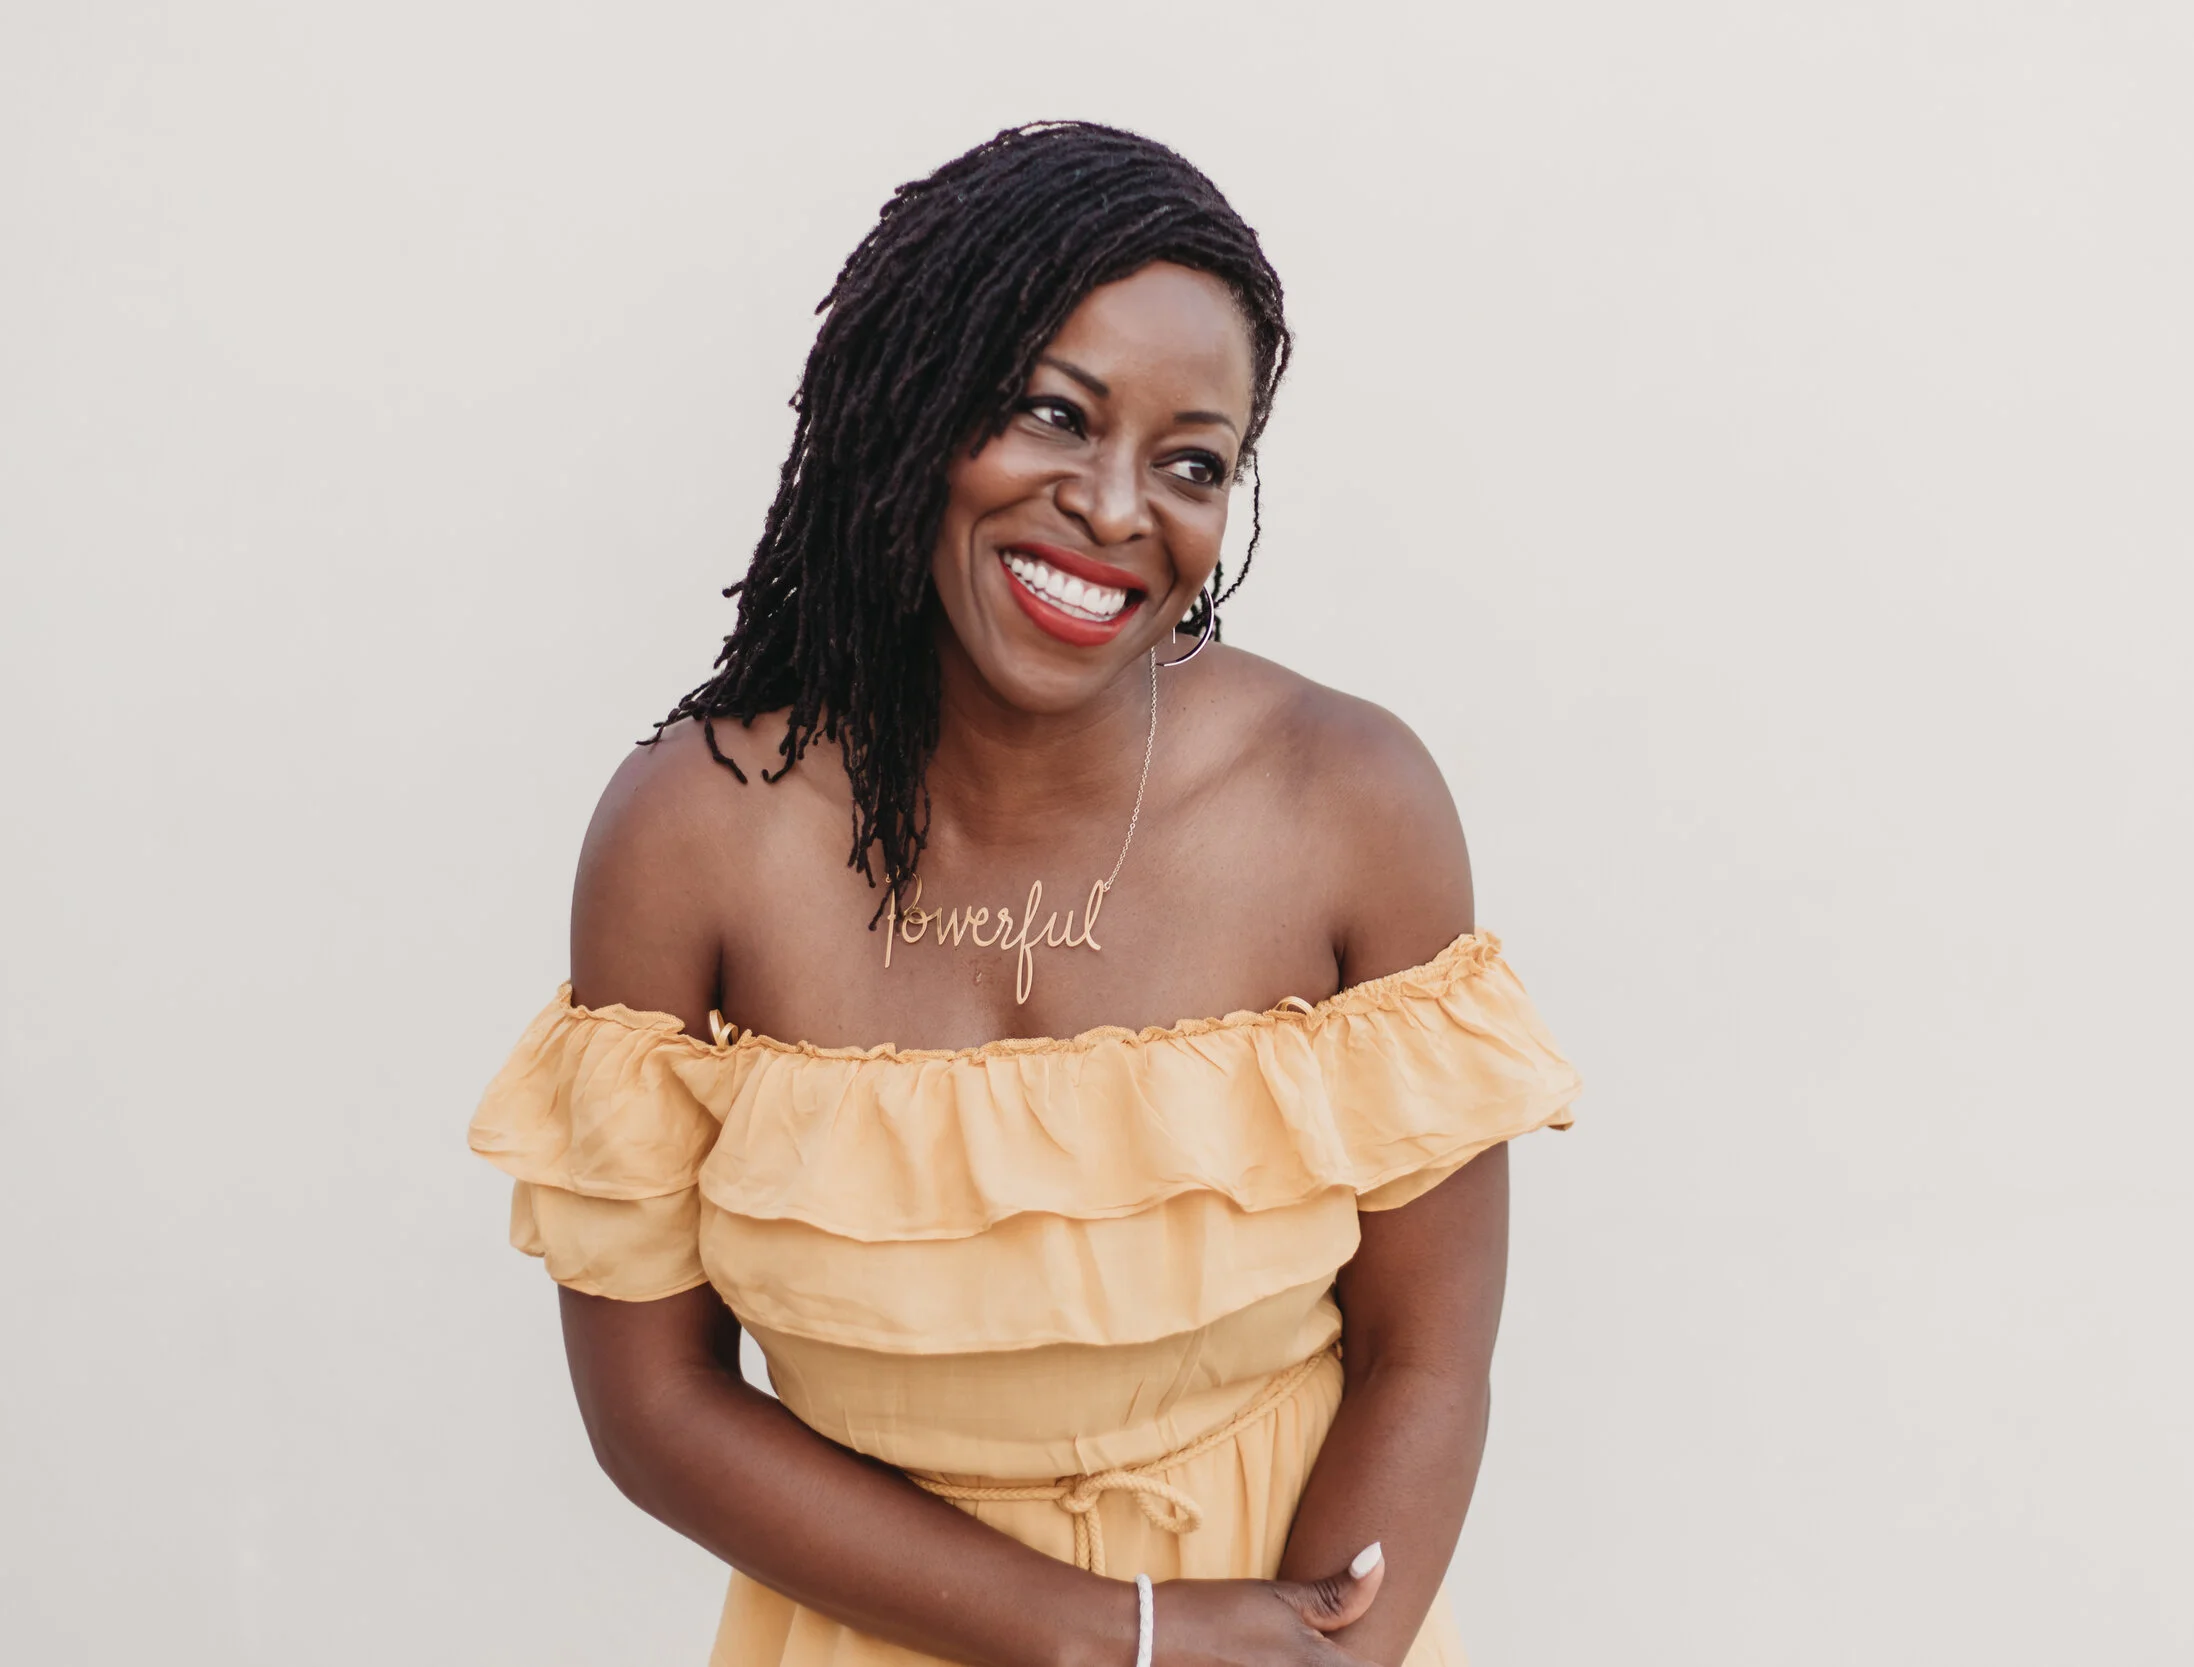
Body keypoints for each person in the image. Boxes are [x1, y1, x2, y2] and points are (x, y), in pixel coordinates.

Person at [469, 121, 1579, 1667]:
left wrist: (1311, 1655)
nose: (1120, 509)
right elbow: (655, 1403)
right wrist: (1100, 1635)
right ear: (909, 406)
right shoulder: (694, 841)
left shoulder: (1350, 803)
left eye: (1193, 462)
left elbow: (1429, 1356)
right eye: (1054, 414)